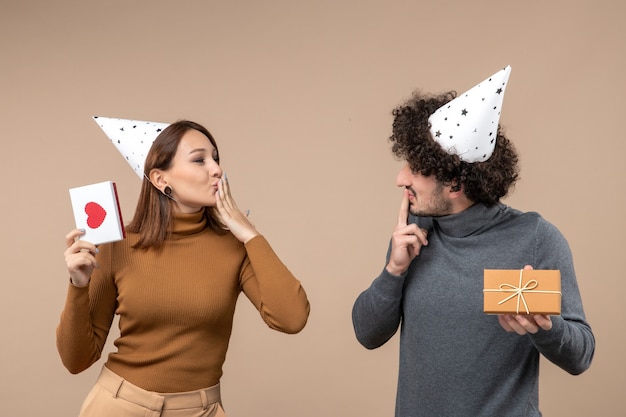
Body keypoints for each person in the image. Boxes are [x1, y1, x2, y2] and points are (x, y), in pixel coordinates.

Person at [351, 66, 594, 417]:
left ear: (454, 184)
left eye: (416, 169)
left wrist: (544, 327)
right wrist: (394, 270)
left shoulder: (536, 238)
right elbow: (366, 334)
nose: (400, 178)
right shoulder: (415, 232)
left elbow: (581, 356)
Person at [57, 119, 310, 417]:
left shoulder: (235, 248)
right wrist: (78, 286)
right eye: (199, 159)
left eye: (215, 158)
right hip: (119, 406)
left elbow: (292, 318)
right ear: (161, 179)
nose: (215, 169)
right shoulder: (117, 245)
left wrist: (251, 236)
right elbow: (76, 360)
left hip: (200, 410)